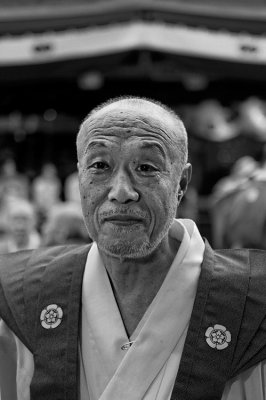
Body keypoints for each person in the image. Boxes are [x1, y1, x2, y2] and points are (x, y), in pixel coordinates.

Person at [1, 97, 266, 400]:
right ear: (79, 180)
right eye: (100, 165)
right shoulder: (21, 298)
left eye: (146, 167)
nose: (122, 192)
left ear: (181, 183)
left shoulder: (253, 305)